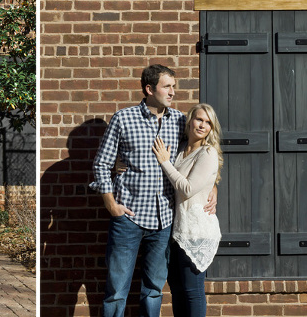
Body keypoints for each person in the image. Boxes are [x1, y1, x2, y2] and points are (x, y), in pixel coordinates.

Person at [90, 64, 216, 317]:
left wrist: (213, 186)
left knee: (153, 289)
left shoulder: (181, 120)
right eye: (167, 87)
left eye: (173, 87)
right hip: (128, 218)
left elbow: (200, 155)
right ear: (149, 89)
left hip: (164, 222)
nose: (172, 92)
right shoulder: (123, 119)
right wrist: (111, 204)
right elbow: (101, 164)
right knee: (116, 291)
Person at [153, 103, 223, 317]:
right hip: (177, 230)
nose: (203, 125)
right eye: (199, 119)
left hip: (196, 231)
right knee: (177, 290)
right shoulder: (181, 147)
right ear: (190, 120)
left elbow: (188, 188)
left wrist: (165, 162)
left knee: (192, 291)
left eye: (208, 122)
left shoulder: (208, 152)